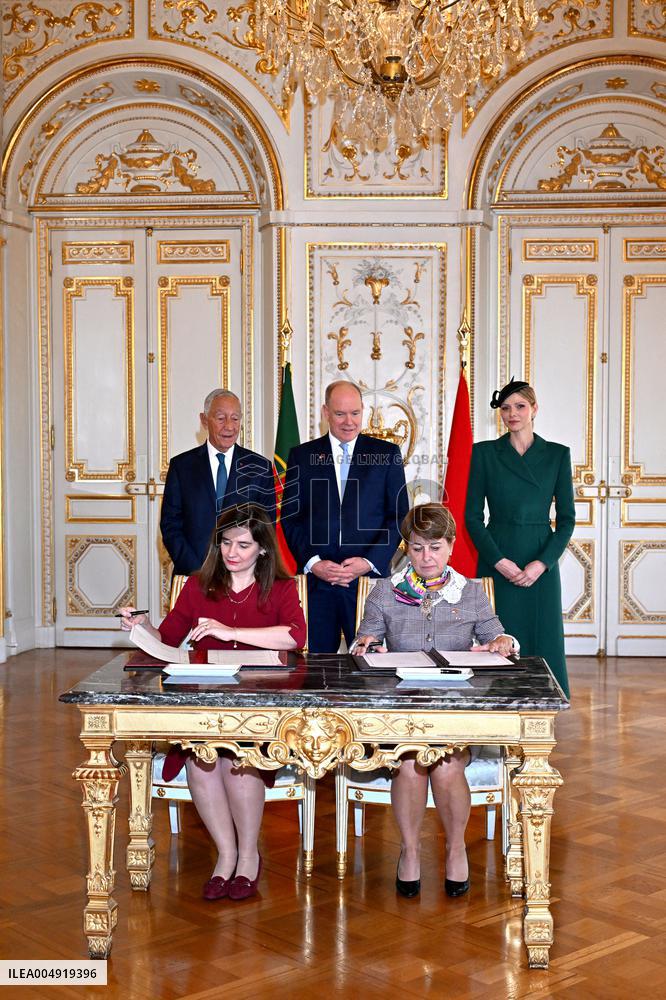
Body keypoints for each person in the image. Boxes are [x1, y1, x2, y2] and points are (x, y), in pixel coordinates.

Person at [119, 504, 306, 902]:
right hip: (205, 699)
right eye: (225, 543)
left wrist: (230, 630)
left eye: (242, 544)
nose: (232, 552)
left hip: (259, 705)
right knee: (201, 761)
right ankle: (226, 855)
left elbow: (294, 637)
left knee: (239, 762)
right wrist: (140, 627)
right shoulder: (198, 585)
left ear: (263, 550)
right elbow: (168, 640)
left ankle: (249, 855)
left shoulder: (282, 588)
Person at [353, 503, 516, 899]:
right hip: (401, 712)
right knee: (410, 766)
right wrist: (366, 643)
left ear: (451, 547)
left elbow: (502, 639)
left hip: (455, 711)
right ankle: (409, 851)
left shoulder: (471, 592)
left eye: (436, 548)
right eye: (418, 548)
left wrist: (501, 643)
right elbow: (366, 637)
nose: (427, 557)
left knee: (444, 766)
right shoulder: (385, 592)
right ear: (406, 548)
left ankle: (455, 847)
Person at [464, 378, 575, 697]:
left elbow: (566, 520)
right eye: (506, 408)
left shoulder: (557, 455)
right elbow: (472, 517)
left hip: (540, 558)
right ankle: (493, 699)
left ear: (534, 409)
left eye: (520, 406)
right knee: (495, 630)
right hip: (496, 554)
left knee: (543, 635)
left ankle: (544, 698)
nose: (512, 413)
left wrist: (542, 564)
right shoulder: (484, 453)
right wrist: (498, 561)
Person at [281, 380, 409, 653]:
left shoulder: (386, 455)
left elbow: (398, 516)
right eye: (340, 414)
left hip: (367, 584)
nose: (349, 422)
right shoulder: (302, 456)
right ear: (326, 413)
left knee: (371, 667)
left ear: (363, 410)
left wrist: (367, 561)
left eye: (355, 413)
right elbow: (291, 517)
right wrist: (313, 563)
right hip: (316, 584)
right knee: (314, 670)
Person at [160, 389, 276, 575]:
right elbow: (170, 525)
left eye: (235, 418)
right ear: (204, 420)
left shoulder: (260, 467)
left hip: (243, 577)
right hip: (193, 575)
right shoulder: (181, 466)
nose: (229, 426)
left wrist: (242, 568)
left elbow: (267, 527)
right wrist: (196, 571)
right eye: (221, 418)